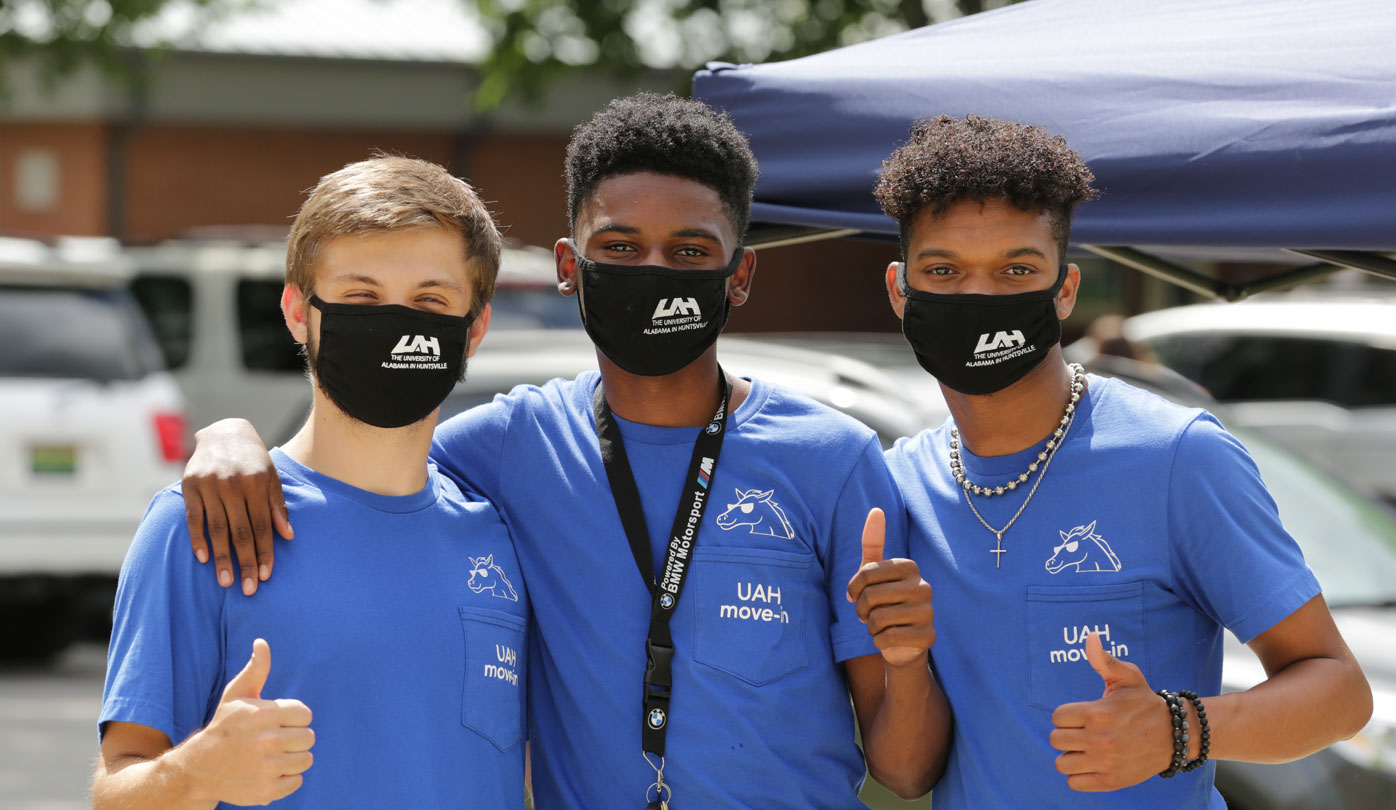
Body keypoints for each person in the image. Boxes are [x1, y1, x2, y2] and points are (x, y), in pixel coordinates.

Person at [177, 93, 950, 808]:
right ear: (567, 269)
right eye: (620, 246)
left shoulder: (834, 460)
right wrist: (230, 438)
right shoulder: (502, 452)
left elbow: (907, 771)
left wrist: (911, 661)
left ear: (739, 274)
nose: (652, 273)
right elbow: (363, 463)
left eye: (688, 252)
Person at [874, 115, 1372, 808]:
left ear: (1066, 288)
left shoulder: (1176, 457)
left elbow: (1340, 692)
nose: (980, 298)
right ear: (901, 291)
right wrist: (901, 665)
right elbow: (905, 775)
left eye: (1017, 269)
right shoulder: (899, 487)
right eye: (944, 271)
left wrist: (1179, 729)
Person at [93, 156, 528, 809]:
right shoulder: (204, 524)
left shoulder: (503, 534)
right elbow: (115, 787)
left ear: (476, 329)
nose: (397, 323)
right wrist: (196, 773)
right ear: (299, 311)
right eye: (361, 297)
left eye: (430, 301)